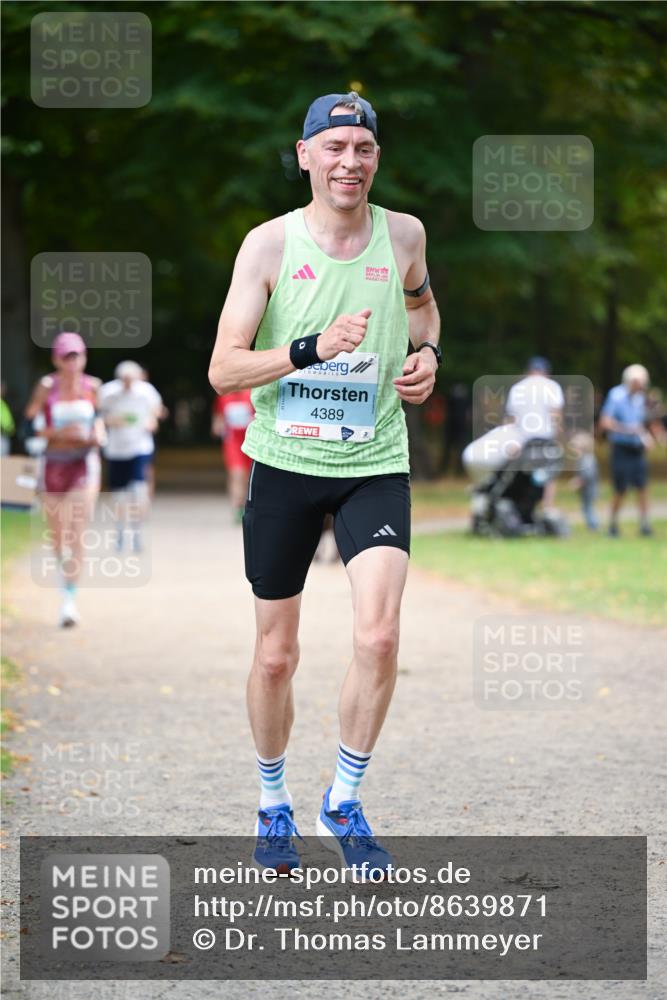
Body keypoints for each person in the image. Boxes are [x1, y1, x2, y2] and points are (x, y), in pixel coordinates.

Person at [208, 91, 440, 874]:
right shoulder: (268, 246)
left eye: (363, 148)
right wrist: (309, 348)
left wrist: (427, 356)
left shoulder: (403, 235)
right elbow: (223, 369)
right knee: (276, 655)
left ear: (376, 159)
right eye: (334, 147)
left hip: (373, 461)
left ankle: (342, 798)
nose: (349, 162)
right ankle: (273, 804)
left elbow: (423, 309)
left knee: (378, 636)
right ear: (305, 155)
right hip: (284, 464)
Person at [25, 332, 104, 627]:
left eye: (77, 355)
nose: (72, 362)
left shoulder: (93, 386)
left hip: (84, 463)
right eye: (67, 356)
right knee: (58, 535)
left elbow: (99, 420)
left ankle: (70, 602)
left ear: (84, 357)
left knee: (76, 531)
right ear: (56, 359)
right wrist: (59, 433)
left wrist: (96, 435)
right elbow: (30, 426)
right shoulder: (47, 387)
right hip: (53, 464)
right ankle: (63, 587)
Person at [98, 361, 163, 552]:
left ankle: (137, 534)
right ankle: (119, 533)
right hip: (116, 450)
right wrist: (112, 421)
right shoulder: (108, 392)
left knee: (138, 491)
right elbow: (100, 416)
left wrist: (151, 421)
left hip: (139, 447)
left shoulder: (145, 391)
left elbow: (156, 410)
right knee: (119, 495)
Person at [599, 364, 666, 537]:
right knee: (620, 488)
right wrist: (627, 429)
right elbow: (605, 422)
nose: (642, 386)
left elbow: (646, 423)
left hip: (638, 449)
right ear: (631, 381)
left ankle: (645, 525)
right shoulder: (616, 395)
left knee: (642, 487)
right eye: (640, 383)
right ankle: (613, 525)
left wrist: (651, 436)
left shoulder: (641, 398)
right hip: (621, 448)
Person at [211, 389, 254, 522]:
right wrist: (218, 427)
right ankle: (237, 507)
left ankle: (247, 506)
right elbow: (218, 419)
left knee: (248, 477)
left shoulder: (251, 394)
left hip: (250, 441)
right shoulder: (223, 396)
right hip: (233, 443)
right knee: (237, 474)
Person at [568, 431, 599, 531]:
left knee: (588, 507)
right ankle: (592, 525)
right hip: (586, 490)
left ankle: (593, 525)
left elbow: (587, 474)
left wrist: (577, 482)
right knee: (586, 507)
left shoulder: (587, 459)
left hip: (589, 490)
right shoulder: (583, 459)